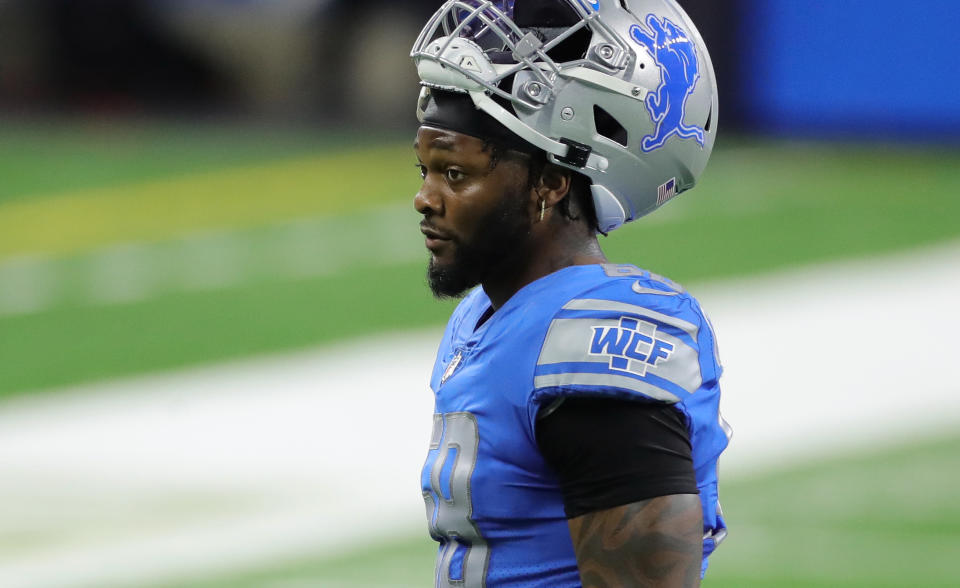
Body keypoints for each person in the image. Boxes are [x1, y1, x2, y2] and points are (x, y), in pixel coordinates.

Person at [411, 1, 730, 586]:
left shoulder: (590, 336)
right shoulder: (488, 313)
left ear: (552, 184)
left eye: (455, 174)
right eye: (424, 170)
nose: (426, 199)